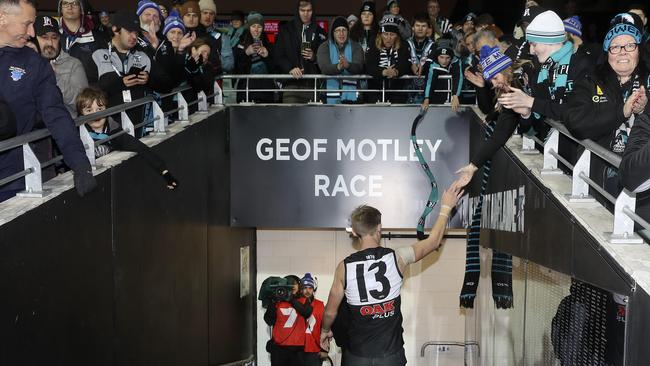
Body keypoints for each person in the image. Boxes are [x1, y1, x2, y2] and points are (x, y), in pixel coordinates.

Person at [319, 181, 464, 365]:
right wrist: (446, 207)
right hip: (390, 357)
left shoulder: (344, 267)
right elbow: (434, 241)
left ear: (355, 232)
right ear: (379, 228)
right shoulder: (397, 258)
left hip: (357, 357)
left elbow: (330, 313)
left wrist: (325, 331)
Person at [0, 0, 96, 201]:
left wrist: (79, 163)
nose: (32, 33)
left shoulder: (34, 64)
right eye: (26, 24)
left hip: (12, 178)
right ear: (2, 17)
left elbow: (56, 114)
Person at [564, 14, 648, 203]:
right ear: (607, 52)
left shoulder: (648, 83)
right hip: (599, 179)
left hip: (643, 184)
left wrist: (644, 110)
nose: (623, 52)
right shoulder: (590, 81)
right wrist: (622, 112)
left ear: (638, 51)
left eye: (630, 45)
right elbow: (575, 122)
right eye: (615, 47)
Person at [456, 45, 534, 185]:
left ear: (506, 70)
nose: (495, 83)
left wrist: (528, 108)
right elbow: (499, 135)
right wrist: (473, 166)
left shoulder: (532, 72)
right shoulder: (508, 94)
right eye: (491, 80)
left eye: (496, 77)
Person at [76, 86, 178, 189]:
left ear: (107, 109)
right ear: (81, 114)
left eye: (100, 109)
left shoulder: (115, 132)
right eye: (89, 110)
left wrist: (165, 172)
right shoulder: (76, 136)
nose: (96, 114)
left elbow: (140, 148)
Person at [90, 11, 158, 137]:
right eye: (129, 31)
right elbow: (90, 91)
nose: (134, 36)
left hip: (141, 127)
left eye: (136, 33)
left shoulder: (143, 54)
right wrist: (120, 83)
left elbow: (166, 84)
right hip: (110, 129)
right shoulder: (97, 54)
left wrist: (149, 80)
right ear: (116, 30)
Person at [33, 15, 88, 116]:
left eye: (54, 37)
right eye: (44, 37)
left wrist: (55, 77)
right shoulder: (26, 63)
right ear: (34, 39)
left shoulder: (73, 64)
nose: (50, 42)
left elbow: (82, 104)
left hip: (64, 125)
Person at [274, 0, 327, 103]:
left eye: (309, 10)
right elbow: (278, 56)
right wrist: (290, 68)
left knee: (314, 119)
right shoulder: (286, 30)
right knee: (291, 118)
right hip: (291, 86)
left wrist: (314, 57)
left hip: (313, 85)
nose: (306, 14)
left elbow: (326, 58)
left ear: (313, 11)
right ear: (297, 10)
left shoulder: (320, 32)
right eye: (302, 10)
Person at [264, 275, 313, 366]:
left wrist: (291, 299)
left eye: (294, 284)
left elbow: (307, 312)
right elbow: (269, 320)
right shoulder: (277, 302)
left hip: (297, 350)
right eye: (289, 284)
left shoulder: (303, 300)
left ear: (299, 286)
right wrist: (273, 302)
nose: (292, 286)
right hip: (279, 349)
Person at [317, 16, 364, 104]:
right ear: (333, 33)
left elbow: (359, 66)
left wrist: (348, 65)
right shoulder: (324, 47)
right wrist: (338, 67)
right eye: (338, 30)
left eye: (344, 30)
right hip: (327, 94)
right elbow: (324, 68)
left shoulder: (356, 47)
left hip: (354, 96)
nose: (341, 33)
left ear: (348, 32)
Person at [365, 16, 411, 104]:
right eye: (385, 34)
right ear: (380, 35)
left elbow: (406, 64)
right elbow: (369, 65)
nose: (388, 38)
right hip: (375, 92)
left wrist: (396, 71)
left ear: (397, 36)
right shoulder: (373, 43)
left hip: (398, 93)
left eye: (392, 34)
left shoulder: (403, 45)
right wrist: (383, 72)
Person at [233, 12, 276, 103]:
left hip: (266, 93)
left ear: (262, 29)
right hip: (246, 92)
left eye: (259, 27)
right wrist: (246, 53)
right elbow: (236, 70)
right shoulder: (240, 44)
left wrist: (267, 56)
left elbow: (275, 70)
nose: (256, 30)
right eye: (253, 26)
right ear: (249, 28)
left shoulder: (269, 46)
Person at [57, 0, 103, 82]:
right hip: (58, 92)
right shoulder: (52, 35)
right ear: (60, 9)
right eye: (65, 3)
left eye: (74, 3)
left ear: (82, 9)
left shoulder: (98, 38)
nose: (69, 7)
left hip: (87, 92)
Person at [421, 39, 464, 112]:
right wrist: (426, 98)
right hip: (437, 99)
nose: (444, 61)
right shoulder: (432, 62)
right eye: (441, 57)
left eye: (447, 58)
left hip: (452, 100)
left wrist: (455, 96)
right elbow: (429, 81)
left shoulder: (456, 61)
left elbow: (458, 77)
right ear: (437, 56)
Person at [197, 0, 234, 74]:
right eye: (205, 13)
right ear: (199, 14)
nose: (208, 16)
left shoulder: (222, 36)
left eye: (211, 14)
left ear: (214, 16)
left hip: (214, 81)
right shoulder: (191, 33)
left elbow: (228, 66)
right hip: (192, 82)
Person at [406, 13, 435, 104]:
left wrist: (425, 66)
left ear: (428, 29)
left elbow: (433, 64)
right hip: (407, 88)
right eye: (417, 25)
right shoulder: (405, 44)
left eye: (423, 26)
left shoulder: (434, 45)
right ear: (412, 28)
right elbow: (402, 61)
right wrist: (410, 65)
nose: (420, 29)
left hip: (426, 89)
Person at [299, 273, 325, 366]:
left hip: (315, 349)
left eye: (310, 288)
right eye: (305, 288)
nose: (307, 291)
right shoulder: (296, 305)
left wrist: (324, 349)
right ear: (301, 289)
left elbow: (325, 328)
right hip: (298, 350)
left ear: (313, 289)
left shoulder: (320, 305)